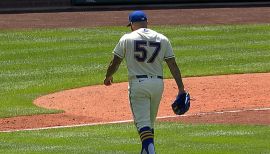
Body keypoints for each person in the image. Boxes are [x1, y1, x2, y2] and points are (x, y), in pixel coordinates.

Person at [104, 10, 186, 154]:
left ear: (132, 24)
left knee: (142, 124)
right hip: (158, 85)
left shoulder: (127, 38)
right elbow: (173, 64)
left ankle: (150, 151)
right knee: (149, 124)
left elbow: (115, 62)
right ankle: (146, 150)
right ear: (147, 22)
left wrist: (108, 77)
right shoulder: (162, 38)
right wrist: (181, 88)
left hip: (138, 85)